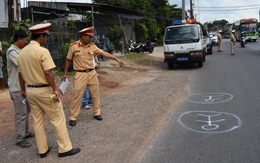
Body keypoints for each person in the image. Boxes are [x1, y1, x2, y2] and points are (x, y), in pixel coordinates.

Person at [18, 23, 80, 158]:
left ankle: (42, 150)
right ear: (41, 36)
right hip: (44, 91)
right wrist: (55, 89)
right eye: (45, 36)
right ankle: (64, 149)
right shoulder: (42, 51)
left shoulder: (22, 52)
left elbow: (21, 75)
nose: (45, 39)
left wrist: (23, 91)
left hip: (30, 91)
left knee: (37, 121)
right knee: (58, 118)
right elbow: (48, 73)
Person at [62, 26, 124, 126]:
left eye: (92, 37)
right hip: (80, 74)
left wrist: (116, 59)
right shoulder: (74, 46)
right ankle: (73, 117)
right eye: (90, 37)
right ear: (83, 36)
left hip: (92, 73)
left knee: (95, 94)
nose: (91, 39)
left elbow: (104, 53)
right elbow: (68, 60)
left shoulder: (92, 46)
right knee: (77, 95)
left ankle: (97, 112)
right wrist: (65, 73)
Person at [6, 29, 35, 148]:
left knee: (26, 111)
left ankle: (26, 132)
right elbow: (21, 63)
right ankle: (20, 138)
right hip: (17, 88)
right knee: (21, 113)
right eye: (25, 40)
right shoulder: (12, 51)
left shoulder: (20, 50)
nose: (27, 42)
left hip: (23, 87)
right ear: (19, 40)